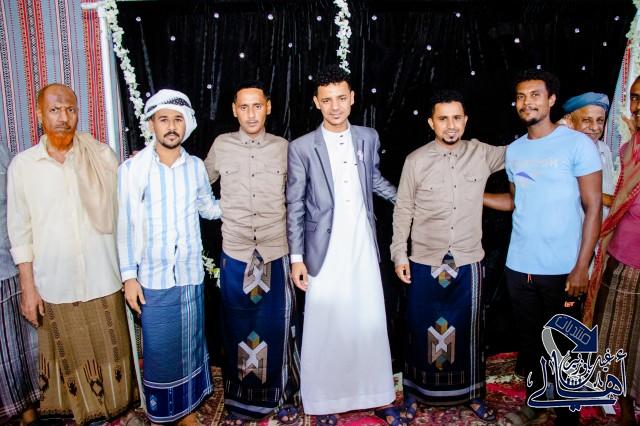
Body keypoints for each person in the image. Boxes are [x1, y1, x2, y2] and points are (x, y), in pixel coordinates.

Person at [7, 83, 138, 424]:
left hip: (103, 275)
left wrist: (130, 274)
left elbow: (124, 218)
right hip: (56, 282)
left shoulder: (102, 156)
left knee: (113, 351)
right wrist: (28, 288)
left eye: (70, 109)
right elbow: (20, 231)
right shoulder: (24, 166)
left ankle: (120, 412)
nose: (64, 117)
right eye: (55, 110)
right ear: (39, 114)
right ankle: (87, 416)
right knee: (74, 357)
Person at [286, 64, 399, 425]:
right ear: (316, 102)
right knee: (326, 324)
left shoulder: (368, 136)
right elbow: (295, 203)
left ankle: (377, 394)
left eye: (341, 98)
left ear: (352, 98)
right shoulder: (302, 147)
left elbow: (374, 180)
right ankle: (323, 401)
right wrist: (297, 258)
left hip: (362, 242)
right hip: (323, 248)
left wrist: (406, 200)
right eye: (327, 100)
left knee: (368, 319)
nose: (335, 106)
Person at [391, 89, 505, 423]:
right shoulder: (415, 160)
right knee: (419, 329)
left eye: (457, 118)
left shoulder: (482, 153)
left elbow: (528, 151)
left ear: (466, 121)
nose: (451, 125)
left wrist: (563, 129)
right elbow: (403, 209)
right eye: (443, 119)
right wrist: (399, 254)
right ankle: (414, 394)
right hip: (424, 262)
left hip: (468, 262)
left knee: (469, 331)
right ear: (431, 123)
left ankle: (473, 394)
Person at [503, 70, 602, 425]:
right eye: (521, 96)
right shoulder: (514, 150)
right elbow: (516, 201)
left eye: (535, 94)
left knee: (564, 346)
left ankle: (566, 416)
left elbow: (593, 207)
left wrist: (581, 267)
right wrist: (470, 196)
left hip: (563, 269)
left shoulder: (577, 144)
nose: (527, 102)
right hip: (519, 266)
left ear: (551, 100)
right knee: (531, 342)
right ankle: (535, 401)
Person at [117, 89, 221, 425]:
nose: (171, 126)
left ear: (186, 124)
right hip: (153, 277)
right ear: (152, 124)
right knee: (161, 349)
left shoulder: (195, 167)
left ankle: (187, 407)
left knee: (190, 343)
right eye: (164, 120)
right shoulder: (132, 170)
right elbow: (124, 226)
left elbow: (209, 209)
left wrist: (247, 203)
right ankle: (165, 413)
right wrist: (129, 277)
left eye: (178, 119)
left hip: (190, 274)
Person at [204, 80, 300, 425]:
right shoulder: (222, 145)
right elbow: (196, 184)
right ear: (234, 110)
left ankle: (283, 395)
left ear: (268, 107)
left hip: (275, 251)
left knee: (278, 327)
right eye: (243, 107)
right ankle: (241, 400)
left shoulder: (283, 148)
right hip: (237, 254)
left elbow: (299, 198)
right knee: (237, 327)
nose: (251, 114)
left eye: (257, 106)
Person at [584, 75, 640, 426]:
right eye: (634, 98)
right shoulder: (630, 147)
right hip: (624, 257)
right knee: (618, 336)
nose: (637, 106)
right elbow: (622, 200)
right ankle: (624, 407)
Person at [0, 143, 39, 425]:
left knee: (16, 349)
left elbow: (16, 205)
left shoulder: (3, 153)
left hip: (6, 264)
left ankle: (28, 413)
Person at [562, 92, 615, 216]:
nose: (595, 127)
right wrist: (610, 200)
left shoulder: (604, 149)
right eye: (587, 120)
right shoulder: (562, 150)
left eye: (600, 120)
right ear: (569, 121)